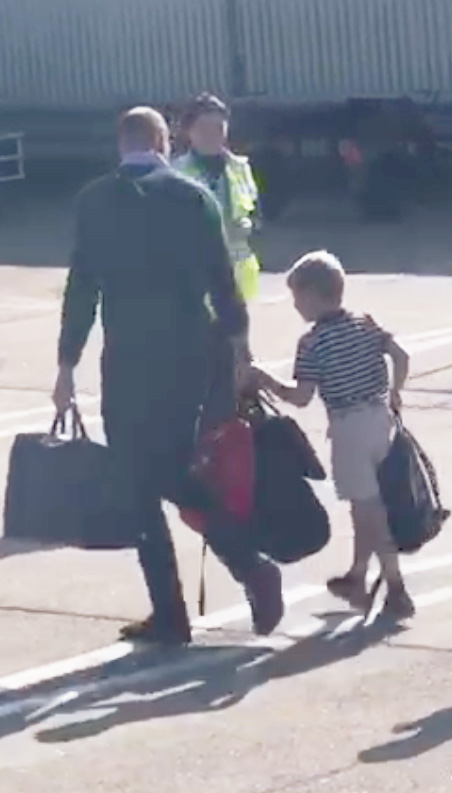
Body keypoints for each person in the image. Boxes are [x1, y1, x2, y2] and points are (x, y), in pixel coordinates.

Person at [53, 107, 283, 645]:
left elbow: (82, 288)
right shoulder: (192, 197)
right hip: (189, 357)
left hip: (128, 358)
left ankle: (181, 607)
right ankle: (247, 570)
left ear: (121, 144)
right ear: (163, 141)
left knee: (142, 480)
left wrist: (67, 364)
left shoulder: (95, 201)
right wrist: (239, 350)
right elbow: (222, 281)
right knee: (171, 472)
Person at [252, 250, 415, 620]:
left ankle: (396, 587)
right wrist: (395, 392)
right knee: (365, 507)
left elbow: (301, 396)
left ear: (311, 295)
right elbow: (401, 356)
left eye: (297, 298)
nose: (295, 306)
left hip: (348, 426)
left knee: (370, 510)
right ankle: (357, 576)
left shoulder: (312, 343)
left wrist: (265, 380)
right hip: (380, 418)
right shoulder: (365, 322)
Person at [173, 93, 260, 301]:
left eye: (219, 128)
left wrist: (251, 225)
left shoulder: (241, 167)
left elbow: (257, 211)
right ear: (189, 132)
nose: (212, 135)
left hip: (237, 277)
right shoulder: (176, 172)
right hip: (196, 279)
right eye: (203, 129)